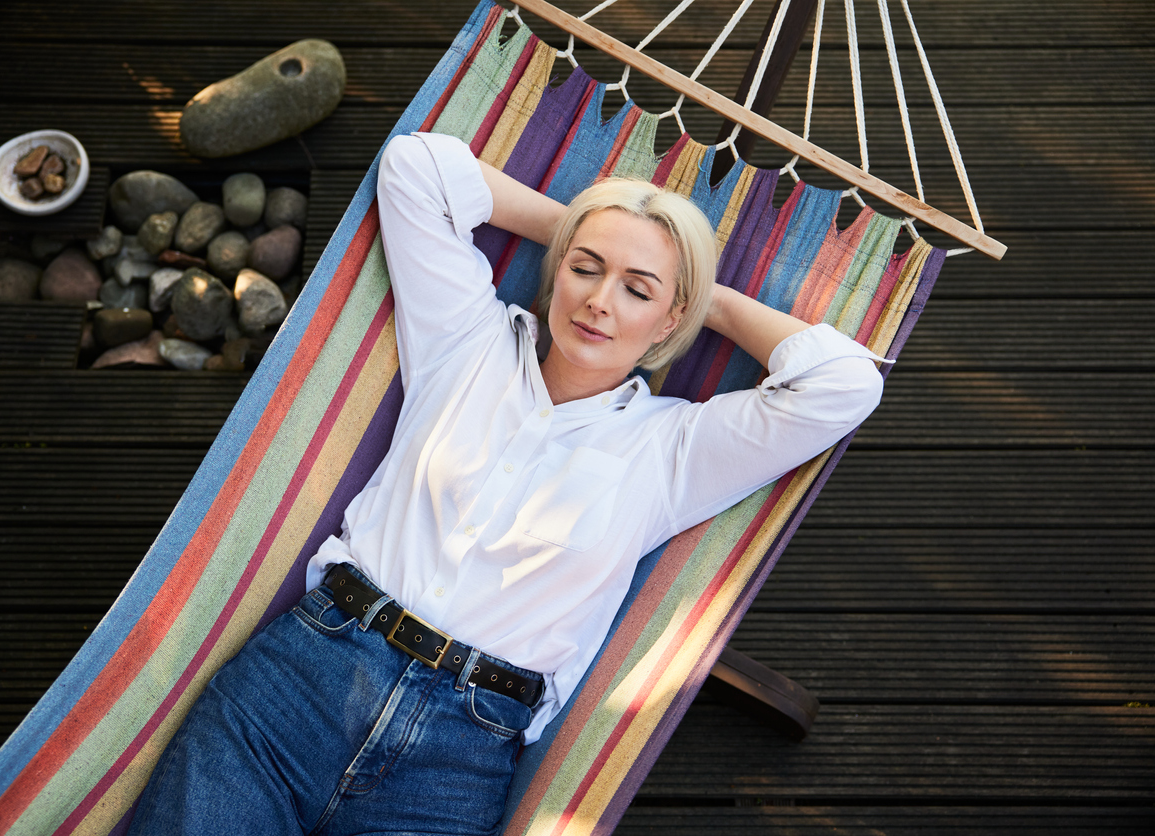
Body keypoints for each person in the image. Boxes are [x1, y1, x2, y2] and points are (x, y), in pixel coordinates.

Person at [128, 132, 886, 836]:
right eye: (584, 268)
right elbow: (416, 168)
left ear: (670, 322)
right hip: (298, 685)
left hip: (454, 757)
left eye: (637, 290)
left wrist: (703, 295)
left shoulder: (675, 451)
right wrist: (588, 231)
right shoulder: (466, 341)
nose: (599, 300)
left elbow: (844, 385)